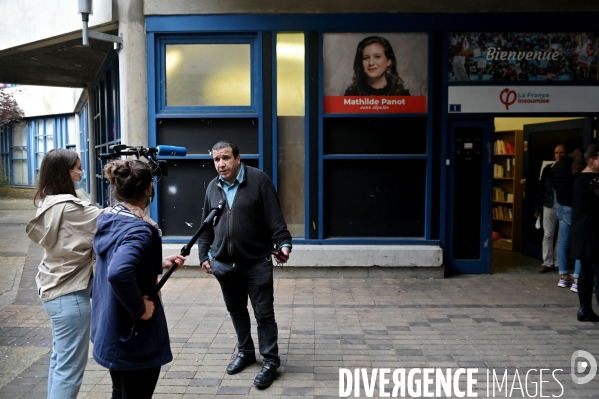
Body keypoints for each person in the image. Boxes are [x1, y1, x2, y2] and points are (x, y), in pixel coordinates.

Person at [199, 140, 292, 389]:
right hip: (223, 265)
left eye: (226, 158)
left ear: (238, 158)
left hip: (256, 263)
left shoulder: (259, 180)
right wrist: (203, 255)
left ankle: (270, 361)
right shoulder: (212, 187)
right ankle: (246, 352)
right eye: (216, 159)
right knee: (236, 311)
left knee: (264, 313)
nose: (221, 164)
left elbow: (275, 219)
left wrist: (284, 243)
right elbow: (207, 225)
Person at [91, 159, 186, 399]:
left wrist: (157, 263)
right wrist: (140, 308)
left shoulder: (112, 219)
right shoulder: (138, 229)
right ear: (149, 188)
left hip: (114, 330)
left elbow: (119, 260)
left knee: (120, 392)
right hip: (133, 337)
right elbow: (118, 272)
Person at [25, 148, 104, 399]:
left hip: (54, 291)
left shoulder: (48, 202)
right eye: (77, 168)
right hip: (71, 296)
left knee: (60, 362)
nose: (81, 171)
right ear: (63, 173)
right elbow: (113, 219)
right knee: (69, 370)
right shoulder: (70, 208)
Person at [569, 144, 599, 322]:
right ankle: (585, 309)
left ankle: (585, 309)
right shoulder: (594, 180)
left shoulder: (579, 178)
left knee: (586, 271)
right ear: (592, 160)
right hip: (593, 232)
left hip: (581, 231)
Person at [549, 138, 582, 289]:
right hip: (573, 208)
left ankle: (563, 276)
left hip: (561, 205)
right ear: (574, 151)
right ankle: (577, 279)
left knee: (562, 242)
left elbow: (553, 185)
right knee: (579, 243)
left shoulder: (555, 166)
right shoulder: (574, 167)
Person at [344, 36, 410, 96]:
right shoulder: (352, 94)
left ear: (388, 61)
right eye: (366, 58)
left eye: (377, 57)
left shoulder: (401, 94)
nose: (371, 63)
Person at [535, 144, 565, 273]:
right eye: (556, 152)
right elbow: (541, 188)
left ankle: (558, 262)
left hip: (563, 204)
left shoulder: (569, 168)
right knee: (548, 234)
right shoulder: (548, 169)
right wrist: (537, 207)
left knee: (561, 236)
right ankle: (547, 262)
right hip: (549, 204)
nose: (558, 155)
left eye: (561, 152)